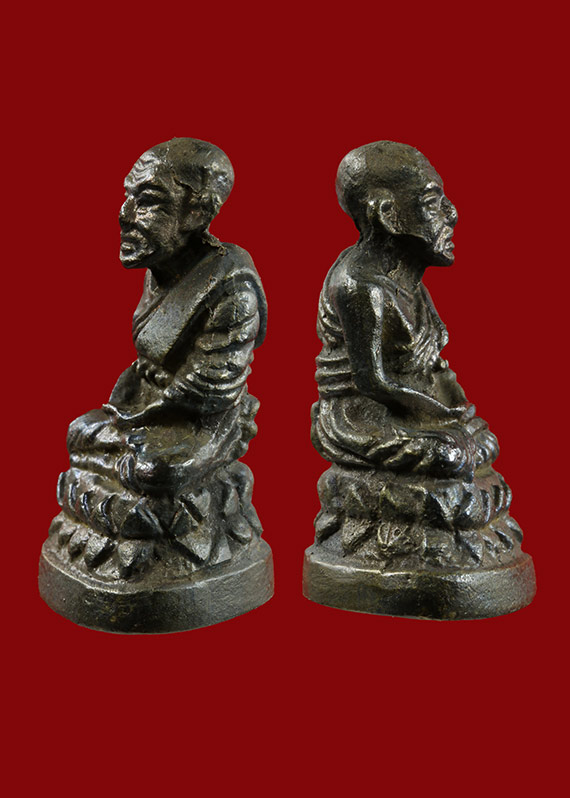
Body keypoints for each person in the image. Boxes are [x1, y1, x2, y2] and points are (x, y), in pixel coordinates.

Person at [312, 141, 498, 480]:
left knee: (481, 443)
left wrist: (453, 411)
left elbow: (432, 362)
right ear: (388, 215)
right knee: (452, 455)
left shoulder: (408, 278)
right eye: (432, 204)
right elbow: (374, 383)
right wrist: (441, 417)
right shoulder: (360, 285)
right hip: (364, 414)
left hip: (418, 402)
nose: (452, 213)